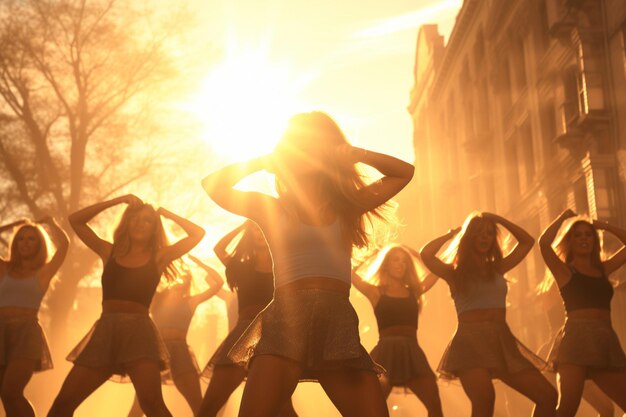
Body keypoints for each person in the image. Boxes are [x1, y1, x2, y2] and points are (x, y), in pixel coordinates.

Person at [202, 111, 414, 417]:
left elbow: (404, 172)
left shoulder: (349, 204)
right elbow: (212, 185)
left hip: (337, 321)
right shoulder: (272, 208)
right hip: (286, 319)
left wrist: (356, 155)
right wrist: (265, 160)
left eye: (317, 146)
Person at [48, 194, 205, 417]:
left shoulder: (159, 257)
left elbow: (198, 233)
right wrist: (118, 200)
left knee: (151, 404)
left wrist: (165, 213)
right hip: (106, 332)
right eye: (135, 218)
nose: (140, 223)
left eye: (147, 220)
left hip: (139, 335)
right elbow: (75, 220)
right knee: (63, 403)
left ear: (154, 229)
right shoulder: (108, 251)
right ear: (127, 222)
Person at [420, 212, 557, 417]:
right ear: (469, 238)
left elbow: (527, 241)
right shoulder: (454, 272)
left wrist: (498, 220)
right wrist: (452, 234)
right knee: (485, 400)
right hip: (470, 343)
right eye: (479, 233)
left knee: (548, 396)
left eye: (489, 233)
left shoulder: (498, 268)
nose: (485, 237)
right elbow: (427, 254)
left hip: (501, 340)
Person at [197, 221, 298, 417]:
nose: (259, 233)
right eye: (255, 230)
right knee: (208, 407)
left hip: (276, 337)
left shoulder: (285, 267)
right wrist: (247, 223)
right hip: (242, 334)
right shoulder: (240, 267)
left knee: (284, 410)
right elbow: (219, 248)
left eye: (263, 228)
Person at [539, 209, 626, 416]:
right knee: (567, 408)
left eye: (588, 234)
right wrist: (562, 218)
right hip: (576, 342)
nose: (583, 238)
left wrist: (603, 226)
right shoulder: (564, 271)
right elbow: (543, 244)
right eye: (577, 235)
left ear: (594, 240)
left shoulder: (603, 269)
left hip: (604, 341)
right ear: (570, 241)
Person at [126, 254, 224, 417]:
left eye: (186, 277)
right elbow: (143, 280)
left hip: (180, 352)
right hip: (156, 351)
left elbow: (218, 283)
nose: (182, 279)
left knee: (199, 406)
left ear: (188, 282)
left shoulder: (191, 301)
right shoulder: (156, 299)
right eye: (179, 276)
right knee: (141, 404)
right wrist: (162, 261)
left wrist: (200, 262)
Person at [351, 245, 443, 416]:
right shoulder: (375, 292)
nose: (400, 265)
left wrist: (415, 253)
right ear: (386, 264)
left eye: (404, 262)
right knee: (371, 410)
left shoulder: (414, 291)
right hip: (385, 354)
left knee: (435, 405)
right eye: (396, 260)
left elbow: (438, 269)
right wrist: (373, 253)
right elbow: (349, 272)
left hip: (412, 353)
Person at [0, 217, 68, 416]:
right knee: (4, 396)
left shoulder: (43, 272)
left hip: (26, 334)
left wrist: (51, 223)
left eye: (31, 239)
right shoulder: (4, 268)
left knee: (11, 391)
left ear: (39, 244)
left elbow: (64, 246)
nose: (25, 243)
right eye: (21, 239)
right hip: (1, 332)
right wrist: (13, 225)